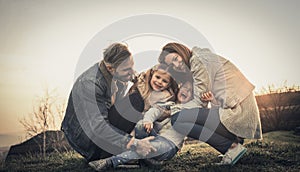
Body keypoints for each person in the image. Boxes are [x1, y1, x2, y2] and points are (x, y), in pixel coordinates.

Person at [158, 42, 263, 165]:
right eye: (172, 65)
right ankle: (232, 145)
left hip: (237, 115)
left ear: (181, 50)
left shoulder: (198, 62)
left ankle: (231, 148)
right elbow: (209, 99)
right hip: (235, 112)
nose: (177, 65)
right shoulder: (201, 57)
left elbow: (199, 103)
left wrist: (174, 108)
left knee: (178, 118)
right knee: (180, 116)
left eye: (176, 59)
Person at [61, 43, 156, 164]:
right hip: (88, 141)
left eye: (132, 66)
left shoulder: (120, 73)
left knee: (139, 97)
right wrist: (134, 143)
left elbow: (138, 77)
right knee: (135, 101)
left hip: (103, 130)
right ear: (111, 68)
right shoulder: (90, 84)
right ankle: (112, 154)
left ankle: (142, 148)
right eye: (127, 69)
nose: (132, 72)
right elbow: (97, 127)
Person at [88, 74, 196, 171]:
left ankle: (110, 161)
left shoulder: (192, 110)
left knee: (151, 146)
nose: (186, 91)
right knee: (140, 125)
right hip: (156, 136)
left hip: (169, 144)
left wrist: (207, 99)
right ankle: (147, 159)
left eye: (190, 91)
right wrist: (148, 121)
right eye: (185, 88)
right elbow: (154, 111)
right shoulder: (169, 103)